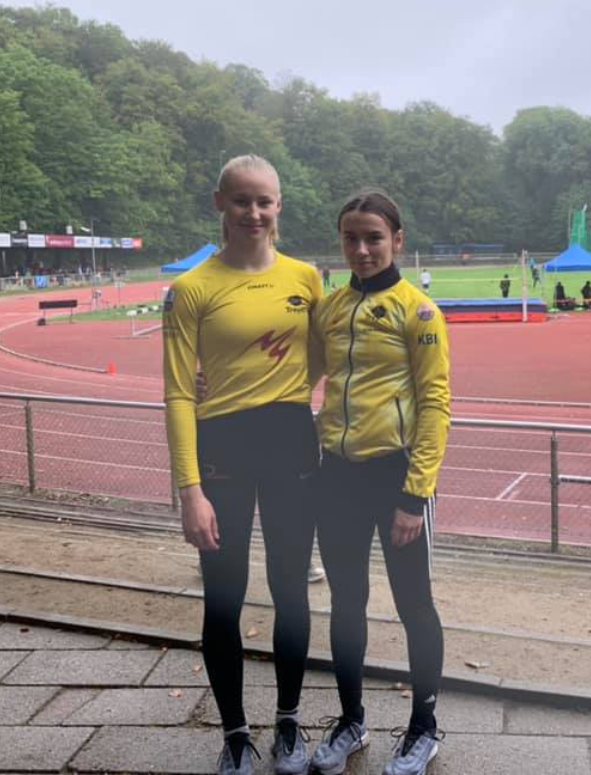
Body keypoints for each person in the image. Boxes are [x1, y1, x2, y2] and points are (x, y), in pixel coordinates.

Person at [163, 154, 320, 775]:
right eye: (241, 200)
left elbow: (331, 354)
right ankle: (234, 734)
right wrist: (188, 489)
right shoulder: (191, 289)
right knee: (224, 599)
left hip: (291, 443)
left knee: (291, 591)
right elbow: (179, 393)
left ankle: (288, 722)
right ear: (219, 204)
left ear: (279, 205)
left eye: (264, 201)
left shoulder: (306, 278)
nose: (254, 212)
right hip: (222, 450)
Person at [309, 190, 451, 775]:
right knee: (346, 602)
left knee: (414, 604)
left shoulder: (419, 312)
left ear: (397, 239)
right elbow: (299, 375)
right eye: (351, 238)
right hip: (337, 476)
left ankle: (424, 727)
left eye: (373, 237)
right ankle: (351, 721)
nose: (362, 249)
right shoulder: (330, 308)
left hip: (398, 477)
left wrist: (415, 494)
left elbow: (436, 404)